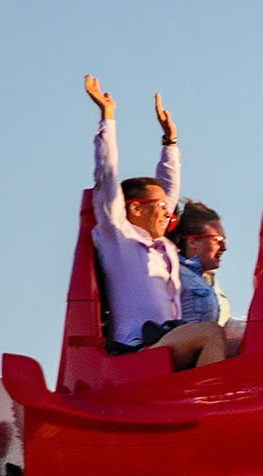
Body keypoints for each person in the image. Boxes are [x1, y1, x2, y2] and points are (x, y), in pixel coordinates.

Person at [84, 75, 226, 370]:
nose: (167, 212)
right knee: (211, 334)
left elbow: (168, 191)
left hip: (167, 339)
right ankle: (205, 406)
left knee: (237, 340)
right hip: (136, 348)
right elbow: (107, 177)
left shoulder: (160, 245)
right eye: (160, 207)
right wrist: (107, 118)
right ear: (134, 208)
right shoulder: (118, 237)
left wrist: (170, 143)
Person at [170, 200, 232, 325]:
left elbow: (224, 326)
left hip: (210, 343)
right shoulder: (173, 273)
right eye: (218, 240)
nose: (224, 247)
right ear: (192, 242)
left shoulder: (210, 281)